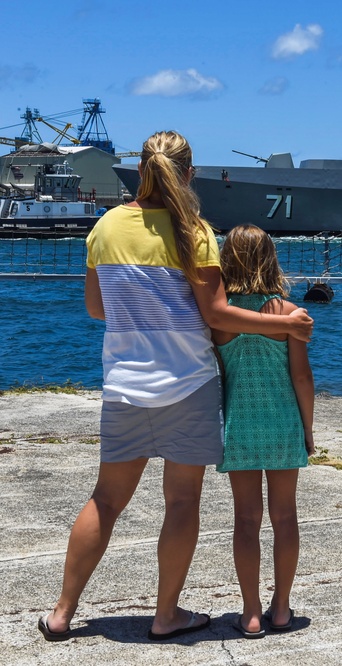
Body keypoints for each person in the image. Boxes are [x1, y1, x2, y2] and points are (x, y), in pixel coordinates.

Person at [38, 131, 313, 643]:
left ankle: (61, 612)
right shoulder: (196, 231)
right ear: (189, 174)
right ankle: (166, 615)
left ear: (141, 170)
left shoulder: (105, 227)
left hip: (123, 386)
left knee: (105, 501)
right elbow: (214, 311)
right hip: (187, 386)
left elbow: (97, 309)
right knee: (182, 502)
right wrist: (288, 326)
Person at [213, 224, 314, 638]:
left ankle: (251, 612)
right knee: (285, 517)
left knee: (246, 520)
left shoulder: (220, 317)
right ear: (271, 259)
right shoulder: (289, 314)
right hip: (283, 424)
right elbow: (302, 379)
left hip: (240, 424)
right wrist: (308, 430)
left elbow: (220, 374)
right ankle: (283, 608)